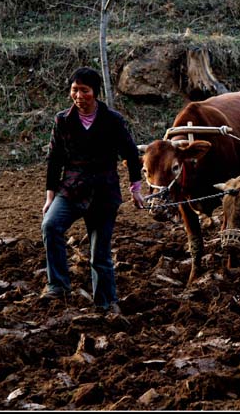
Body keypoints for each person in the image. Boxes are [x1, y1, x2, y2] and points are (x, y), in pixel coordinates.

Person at [41, 67, 145, 314]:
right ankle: (58, 285)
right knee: (50, 225)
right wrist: (50, 196)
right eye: (74, 90)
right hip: (71, 189)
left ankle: (107, 303)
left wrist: (135, 189)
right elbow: (54, 159)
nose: (79, 96)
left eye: (84, 91)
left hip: (103, 192)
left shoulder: (112, 120)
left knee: (100, 253)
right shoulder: (63, 120)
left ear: (95, 93)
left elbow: (131, 154)